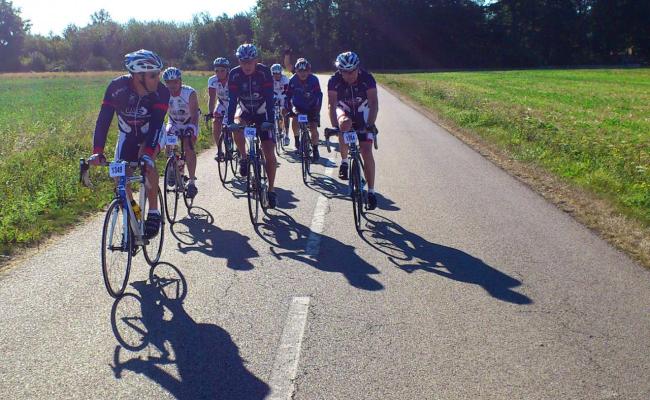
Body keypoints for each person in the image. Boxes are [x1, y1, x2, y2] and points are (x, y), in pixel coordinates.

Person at [89, 49, 169, 238]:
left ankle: (153, 213)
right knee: (121, 179)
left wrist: (148, 153)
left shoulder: (161, 92)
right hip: (127, 134)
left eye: (158, 74)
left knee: (146, 161)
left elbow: (157, 123)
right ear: (138, 76)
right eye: (153, 75)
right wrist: (97, 151)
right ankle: (135, 215)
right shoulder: (117, 88)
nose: (158, 78)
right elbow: (103, 120)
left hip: (153, 132)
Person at [226, 43, 279, 209]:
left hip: (263, 112)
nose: (247, 65)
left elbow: (270, 99)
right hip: (246, 110)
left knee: (269, 152)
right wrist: (228, 122)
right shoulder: (234, 75)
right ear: (239, 61)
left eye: (250, 62)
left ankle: (270, 190)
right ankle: (243, 157)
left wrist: (269, 121)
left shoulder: (264, 72)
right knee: (236, 124)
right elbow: (232, 101)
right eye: (243, 62)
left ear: (256, 60)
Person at [327, 51, 379, 210]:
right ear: (339, 71)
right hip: (345, 110)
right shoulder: (334, 81)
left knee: (366, 151)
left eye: (352, 71)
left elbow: (374, 103)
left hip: (363, 112)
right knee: (344, 124)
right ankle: (344, 162)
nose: (349, 75)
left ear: (358, 68)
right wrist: (335, 126)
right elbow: (332, 105)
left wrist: (370, 124)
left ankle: (371, 192)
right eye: (345, 72)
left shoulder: (367, 78)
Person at [162, 67, 200, 198]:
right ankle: (173, 167)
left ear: (180, 81)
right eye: (169, 82)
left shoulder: (189, 93)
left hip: (189, 122)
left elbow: (194, 114)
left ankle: (191, 182)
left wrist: (191, 128)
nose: (172, 85)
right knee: (167, 140)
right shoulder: (163, 94)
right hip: (174, 123)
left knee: (188, 147)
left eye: (175, 82)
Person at [286, 58, 322, 161]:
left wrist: (317, 109)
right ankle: (297, 140)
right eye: (300, 71)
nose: (303, 73)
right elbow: (288, 96)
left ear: (309, 71)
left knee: (313, 128)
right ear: (296, 71)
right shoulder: (293, 80)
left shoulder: (314, 80)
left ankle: (315, 149)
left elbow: (319, 95)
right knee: (295, 119)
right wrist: (289, 109)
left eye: (305, 70)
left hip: (312, 106)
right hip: (298, 106)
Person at [207, 57, 230, 161]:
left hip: (235, 103)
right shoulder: (212, 80)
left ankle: (239, 149)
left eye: (222, 70)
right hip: (221, 102)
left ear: (227, 70)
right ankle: (219, 149)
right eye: (217, 71)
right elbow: (212, 98)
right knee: (216, 122)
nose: (219, 73)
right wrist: (211, 112)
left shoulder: (233, 78)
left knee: (236, 124)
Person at [270, 63, 290, 145]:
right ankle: (276, 129)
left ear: (281, 73)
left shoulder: (285, 79)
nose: (277, 75)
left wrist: (283, 97)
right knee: (272, 113)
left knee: (285, 114)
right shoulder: (270, 79)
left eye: (278, 73)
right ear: (272, 73)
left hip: (283, 95)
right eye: (275, 73)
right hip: (274, 96)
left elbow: (287, 90)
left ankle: (286, 135)